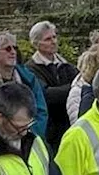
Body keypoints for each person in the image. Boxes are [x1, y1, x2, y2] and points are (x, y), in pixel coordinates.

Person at [25, 21, 79, 152]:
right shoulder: (31, 69)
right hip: (49, 132)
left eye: (54, 37)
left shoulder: (66, 65)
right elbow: (46, 95)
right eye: (48, 39)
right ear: (37, 43)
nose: (53, 41)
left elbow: (81, 83)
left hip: (70, 127)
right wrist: (73, 88)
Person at [0, 31, 49, 138]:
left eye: (15, 48)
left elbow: (41, 112)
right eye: (7, 49)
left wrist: (29, 135)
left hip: (29, 138)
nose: (13, 52)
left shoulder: (29, 79)